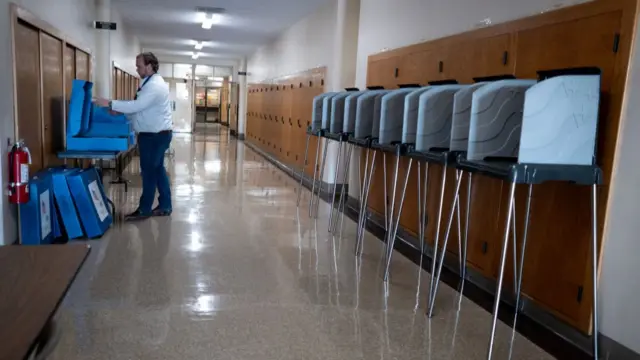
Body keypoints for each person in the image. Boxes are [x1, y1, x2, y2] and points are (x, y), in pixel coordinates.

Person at [94, 52, 173, 221]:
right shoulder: (148, 83)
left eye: (139, 66)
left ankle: (145, 209)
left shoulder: (155, 86)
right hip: (154, 135)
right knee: (157, 170)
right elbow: (141, 110)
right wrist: (120, 112)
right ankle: (165, 205)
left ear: (150, 66)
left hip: (155, 136)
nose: (137, 69)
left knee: (149, 172)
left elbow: (138, 105)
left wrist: (110, 103)